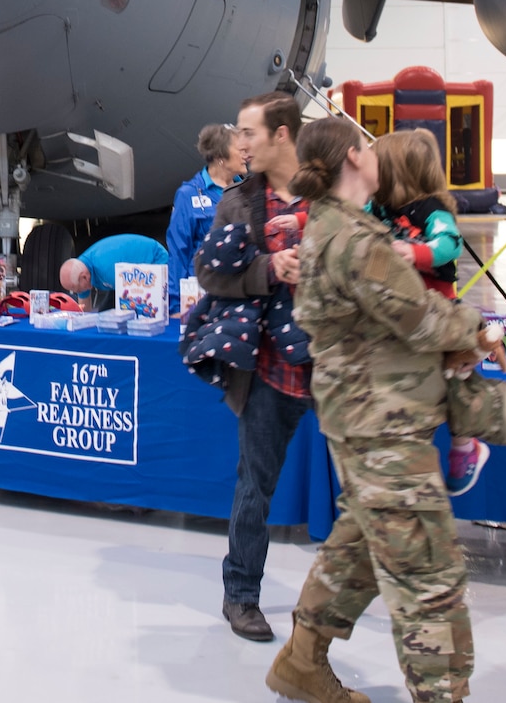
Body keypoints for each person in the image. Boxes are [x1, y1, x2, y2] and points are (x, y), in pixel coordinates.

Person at [279, 116, 501, 703]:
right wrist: (478, 329)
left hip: (365, 418)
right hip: (384, 425)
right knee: (428, 573)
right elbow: (422, 318)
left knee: (358, 547)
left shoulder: (337, 228)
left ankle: (302, 663)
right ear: (355, 157)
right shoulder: (356, 243)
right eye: (371, 148)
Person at [193, 92, 312, 645]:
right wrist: (268, 267)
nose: (239, 143)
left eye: (248, 132)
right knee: (255, 486)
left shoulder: (330, 192)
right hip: (270, 369)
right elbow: (213, 277)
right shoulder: (237, 203)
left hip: (335, 365)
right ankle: (240, 595)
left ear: (281, 135)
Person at [373, 129, 486, 497]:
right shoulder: (376, 207)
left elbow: (449, 244)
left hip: (438, 310)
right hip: (398, 312)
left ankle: (464, 446)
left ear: (396, 171)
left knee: (456, 374)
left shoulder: (431, 211)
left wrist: (414, 253)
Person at [166, 124, 243, 306]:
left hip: (241, 291)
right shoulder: (188, 194)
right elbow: (178, 250)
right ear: (220, 157)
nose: (245, 154)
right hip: (203, 295)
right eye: (239, 149)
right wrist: (176, 303)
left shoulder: (247, 190)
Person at [59, 232, 166, 312]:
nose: (76, 292)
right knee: (104, 315)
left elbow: (129, 301)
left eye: (75, 289)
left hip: (155, 258)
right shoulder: (82, 269)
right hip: (122, 274)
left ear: (85, 277)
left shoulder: (106, 269)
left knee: (152, 309)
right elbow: (84, 308)